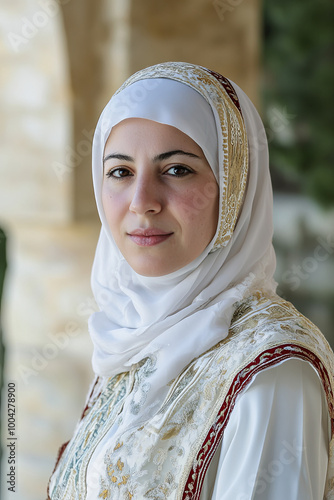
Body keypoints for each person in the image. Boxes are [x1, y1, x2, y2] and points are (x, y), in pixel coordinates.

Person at [47, 62, 334, 500]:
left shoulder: (273, 369)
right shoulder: (130, 336)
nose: (142, 203)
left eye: (177, 170)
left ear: (235, 187)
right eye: (120, 172)